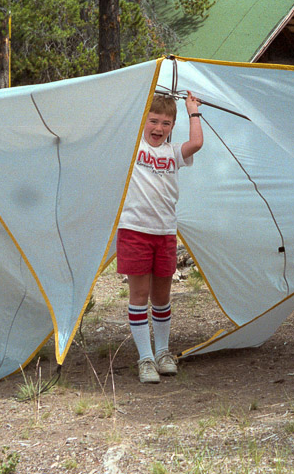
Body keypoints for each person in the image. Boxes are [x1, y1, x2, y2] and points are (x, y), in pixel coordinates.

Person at [117, 92, 203, 383]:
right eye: (153, 121)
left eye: (166, 123)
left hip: (165, 232)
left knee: (162, 296)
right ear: (142, 121)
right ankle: (145, 358)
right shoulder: (132, 147)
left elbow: (197, 143)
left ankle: (163, 352)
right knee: (139, 295)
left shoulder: (174, 152)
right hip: (134, 231)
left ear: (172, 126)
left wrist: (193, 111)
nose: (158, 128)